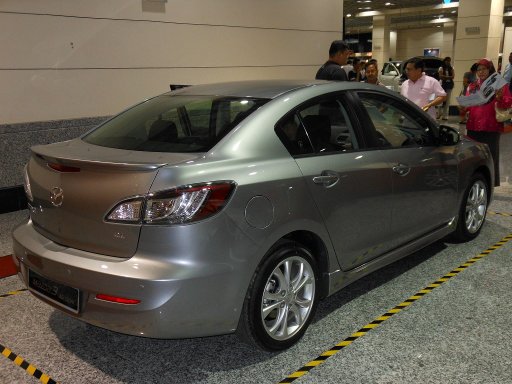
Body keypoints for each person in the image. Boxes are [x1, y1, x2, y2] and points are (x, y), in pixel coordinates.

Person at [463, 58, 512, 186]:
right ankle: (474, 180)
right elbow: (469, 103)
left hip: (491, 125)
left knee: (491, 154)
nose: (481, 72)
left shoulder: (499, 83)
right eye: (478, 70)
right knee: (474, 155)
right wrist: (464, 106)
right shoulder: (473, 85)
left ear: (490, 69)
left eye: (484, 69)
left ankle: (491, 182)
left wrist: (501, 98)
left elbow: (508, 101)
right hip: (473, 125)